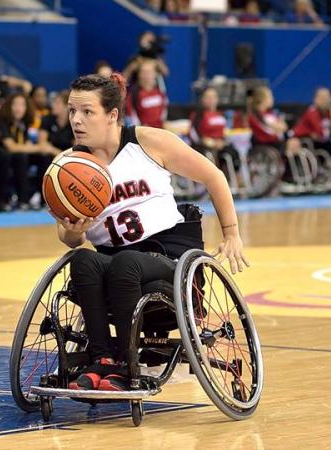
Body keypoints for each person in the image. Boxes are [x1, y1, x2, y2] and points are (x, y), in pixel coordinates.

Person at [54, 73, 248, 391]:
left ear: (112, 115)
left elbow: (214, 177)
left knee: (127, 261)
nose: (76, 120)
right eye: (72, 111)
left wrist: (231, 233)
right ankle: (103, 359)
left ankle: (128, 366)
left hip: (167, 256)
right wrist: (75, 233)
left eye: (87, 112)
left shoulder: (148, 142)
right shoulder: (68, 165)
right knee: (82, 261)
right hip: (113, 261)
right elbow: (67, 236)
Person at [0, 92, 56, 209]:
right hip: (4, 157)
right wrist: (38, 147)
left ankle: (45, 200)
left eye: (22, 105)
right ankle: (22, 200)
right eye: (15, 105)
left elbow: (26, 143)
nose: (19, 108)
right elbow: (11, 147)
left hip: (21, 156)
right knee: (21, 157)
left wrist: (37, 148)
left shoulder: (24, 123)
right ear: (10, 106)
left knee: (44, 157)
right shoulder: (1, 122)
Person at [126, 60, 168, 128]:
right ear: (139, 75)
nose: (147, 75)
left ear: (155, 74)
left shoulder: (160, 91)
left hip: (160, 130)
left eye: (149, 72)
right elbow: (131, 116)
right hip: (144, 131)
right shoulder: (134, 94)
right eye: (144, 72)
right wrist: (140, 128)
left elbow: (164, 110)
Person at [38, 90, 73, 155]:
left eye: (57, 103)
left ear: (66, 107)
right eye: (53, 103)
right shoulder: (47, 119)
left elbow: (76, 147)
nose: (53, 106)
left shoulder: (73, 122)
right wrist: (58, 153)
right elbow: (42, 144)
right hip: (51, 156)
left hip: (69, 157)